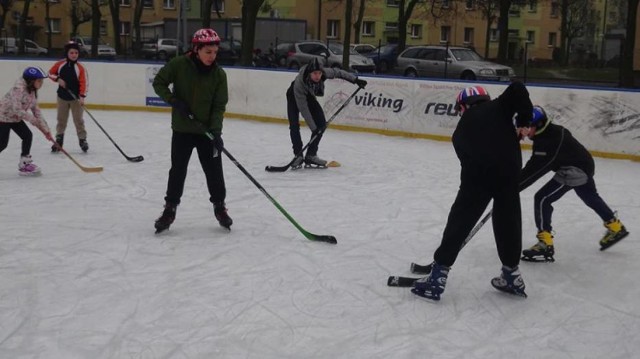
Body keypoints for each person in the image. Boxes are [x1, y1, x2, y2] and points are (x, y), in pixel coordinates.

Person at [411, 82, 533, 301]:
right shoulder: (499, 107)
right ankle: (511, 274)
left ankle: (438, 275)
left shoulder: (458, 133)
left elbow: (466, 165)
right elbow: (517, 88)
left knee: (460, 221)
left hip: (476, 179)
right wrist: (523, 122)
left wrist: (468, 194)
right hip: (508, 174)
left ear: (464, 106)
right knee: (508, 220)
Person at [519, 106, 629, 262]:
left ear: (537, 125)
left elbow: (534, 170)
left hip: (573, 170)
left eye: (525, 127)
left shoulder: (547, 142)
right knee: (589, 196)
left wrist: (513, 188)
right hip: (584, 163)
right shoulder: (549, 132)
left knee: (542, 198)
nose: (522, 130)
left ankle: (545, 243)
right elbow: (535, 165)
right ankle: (615, 227)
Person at [152, 28, 232, 233]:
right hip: (182, 130)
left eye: (215, 52)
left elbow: (218, 105)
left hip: (206, 132)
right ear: (196, 49)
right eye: (208, 52)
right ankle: (170, 209)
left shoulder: (219, 75)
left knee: (214, 171)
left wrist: (216, 132)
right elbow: (159, 82)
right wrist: (174, 101)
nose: (212, 56)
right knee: (177, 170)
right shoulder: (179, 65)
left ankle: (220, 207)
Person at [286, 57, 367, 169]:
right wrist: (313, 128)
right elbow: (304, 109)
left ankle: (311, 155)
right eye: (315, 73)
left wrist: (355, 80)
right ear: (310, 72)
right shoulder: (300, 83)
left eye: (319, 73)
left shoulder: (324, 73)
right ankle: (298, 155)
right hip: (293, 96)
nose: (318, 76)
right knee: (294, 126)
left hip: (309, 96)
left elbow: (338, 72)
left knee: (321, 125)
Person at [0, 67, 54, 176]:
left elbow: (36, 111)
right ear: (31, 81)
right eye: (39, 81)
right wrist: (32, 120)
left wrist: (46, 130)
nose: (41, 83)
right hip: (3, 116)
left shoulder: (32, 91)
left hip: (15, 118)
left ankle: (24, 164)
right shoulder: (18, 89)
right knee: (2, 144)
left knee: (27, 135)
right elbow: (16, 109)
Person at [48, 41, 89, 153]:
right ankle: (59, 140)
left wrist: (82, 96)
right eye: (71, 52)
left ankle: (82, 140)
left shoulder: (80, 68)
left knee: (78, 120)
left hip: (75, 99)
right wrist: (58, 79)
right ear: (67, 53)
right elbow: (50, 73)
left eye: (76, 52)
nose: (74, 55)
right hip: (62, 97)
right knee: (61, 120)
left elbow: (84, 83)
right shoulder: (60, 64)